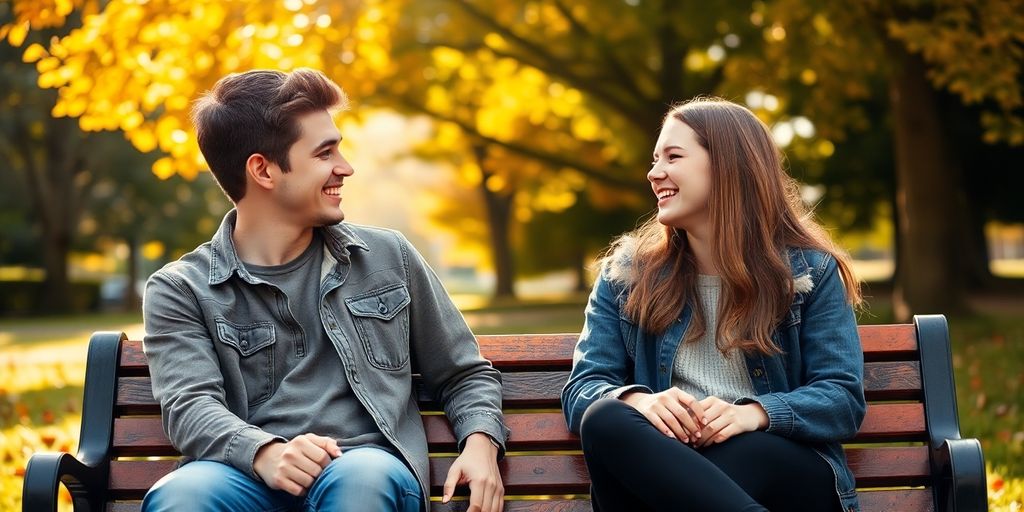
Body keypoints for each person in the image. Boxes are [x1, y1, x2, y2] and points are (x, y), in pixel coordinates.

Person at [141, 68, 508, 512]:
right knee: (182, 495)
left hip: (366, 469)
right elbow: (190, 406)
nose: (345, 167)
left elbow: (464, 373)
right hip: (242, 476)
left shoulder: (387, 255)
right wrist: (264, 452)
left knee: (361, 478)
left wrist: (482, 442)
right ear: (263, 170)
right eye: (324, 153)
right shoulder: (181, 289)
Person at [561, 97, 866, 512]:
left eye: (673, 156)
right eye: (654, 160)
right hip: (663, 471)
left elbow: (842, 399)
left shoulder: (809, 272)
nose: (654, 173)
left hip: (777, 470)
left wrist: (754, 414)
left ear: (726, 165)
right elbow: (582, 389)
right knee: (605, 418)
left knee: (746, 452)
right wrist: (641, 402)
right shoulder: (628, 276)